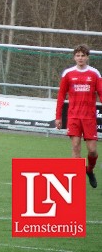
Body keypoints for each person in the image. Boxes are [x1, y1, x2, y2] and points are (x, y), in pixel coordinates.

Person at [55, 44, 102, 189]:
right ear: (74, 57)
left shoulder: (95, 74)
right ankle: (76, 182)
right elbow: (61, 95)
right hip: (74, 116)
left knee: (92, 150)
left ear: (87, 57)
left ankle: (89, 170)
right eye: (78, 55)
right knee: (75, 147)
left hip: (89, 118)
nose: (80, 58)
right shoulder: (68, 73)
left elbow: (101, 93)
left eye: (83, 55)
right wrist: (58, 116)